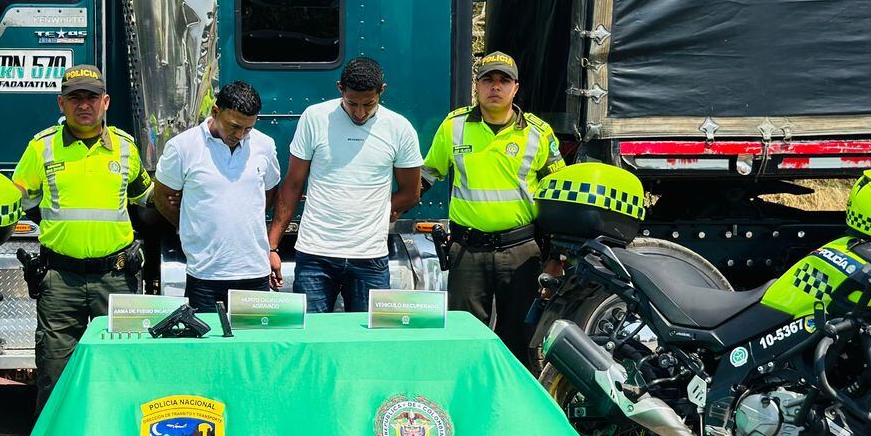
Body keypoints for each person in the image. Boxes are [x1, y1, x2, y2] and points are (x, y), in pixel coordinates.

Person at [12, 64, 152, 408]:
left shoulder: (125, 148)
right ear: (62, 104)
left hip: (116, 278)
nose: (84, 105)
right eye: (75, 98)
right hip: (61, 280)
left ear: (106, 102)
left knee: (122, 368)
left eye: (91, 97)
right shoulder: (41, 148)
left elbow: (145, 201)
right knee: (54, 371)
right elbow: (22, 198)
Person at [421, 51, 564, 363]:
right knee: (464, 339)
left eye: (503, 80)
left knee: (521, 341)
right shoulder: (453, 127)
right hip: (467, 252)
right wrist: (389, 205)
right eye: (488, 80)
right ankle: (466, 405)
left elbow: (559, 193)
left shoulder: (538, 132)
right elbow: (426, 175)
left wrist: (557, 256)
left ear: (515, 88)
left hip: (522, 252)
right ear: (477, 86)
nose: (495, 87)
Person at [267, 56, 422, 313]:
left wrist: (377, 208)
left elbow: (411, 193)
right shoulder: (314, 118)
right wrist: (272, 245)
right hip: (314, 253)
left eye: (368, 104)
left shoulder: (399, 128)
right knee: (312, 338)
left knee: (366, 344)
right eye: (352, 103)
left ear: (382, 91)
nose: (359, 112)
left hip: (370, 257)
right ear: (340, 88)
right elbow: (293, 184)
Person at [149, 80, 282, 312]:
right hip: (205, 274)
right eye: (233, 126)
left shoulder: (265, 146)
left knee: (254, 347)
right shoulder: (182, 147)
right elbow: (162, 195)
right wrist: (190, 227)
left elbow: (270, 193)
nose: (240, 135)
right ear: (215, 111)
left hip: (255, 272)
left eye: (248, 128)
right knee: (207, 347)